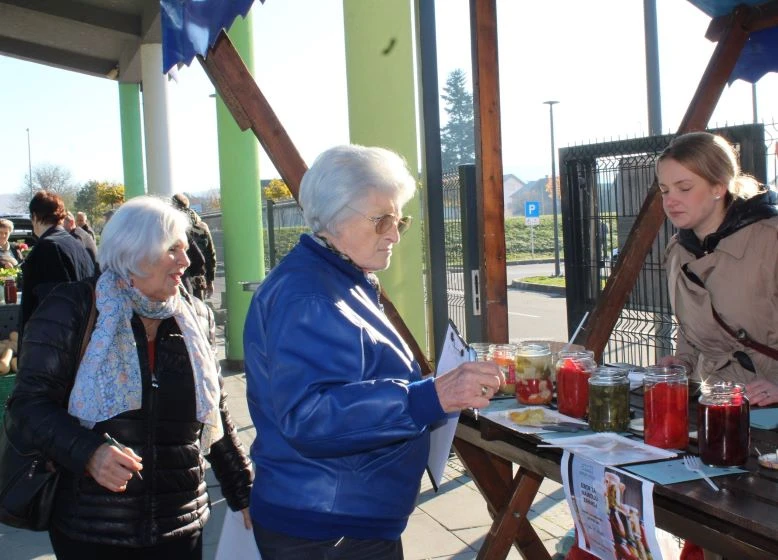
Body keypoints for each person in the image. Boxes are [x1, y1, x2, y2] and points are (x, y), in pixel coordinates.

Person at [243, 145, 503, 560]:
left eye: (399, 219)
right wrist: (429, 396)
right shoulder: (311, 294)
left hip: (337, 512)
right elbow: (309, 416)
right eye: (382, 220)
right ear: (331, 215)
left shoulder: (337, 278)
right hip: (328, 524)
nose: (395, 234)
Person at [7, 196, 253, 559]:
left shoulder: (195, 316)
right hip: (92, 527)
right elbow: (27, 407)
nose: (186, 261)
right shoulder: (71, 308)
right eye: (174, 250)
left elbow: (215, 410)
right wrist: (88, 452)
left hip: (180, 524)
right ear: (135, 252)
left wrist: (243, 490)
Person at [657, 131, 778, 407]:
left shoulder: (771, 239)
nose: (670, 200)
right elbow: (692, 326)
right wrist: (682, 362)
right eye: (664, 190)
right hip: (718, 401)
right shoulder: (678, 250)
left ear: (718, 187)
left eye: (684, 188)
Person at [20, 190, 95, 341]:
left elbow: (45, 304)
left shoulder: (47, 247)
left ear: (34, 216)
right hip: (81, 336)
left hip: (55, 342)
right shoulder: (76, 243)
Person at [171, 194, 216, 300]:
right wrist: (210, 280)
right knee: (198, 312)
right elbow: (210, 255)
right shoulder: (202, 227)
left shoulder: (173, 225)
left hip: (178, 277)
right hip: (198, 279)